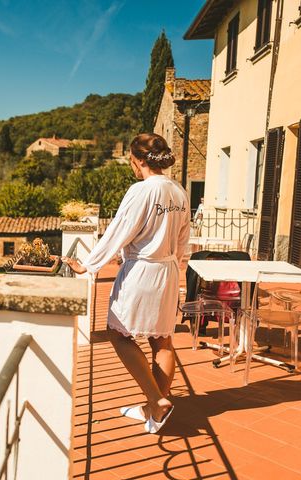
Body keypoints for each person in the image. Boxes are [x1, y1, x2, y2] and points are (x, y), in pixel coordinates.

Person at [63, 133, 190, 434]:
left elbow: (119, 231)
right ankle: (155, 407)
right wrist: (175, 266)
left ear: (139, 160)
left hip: (143, 272)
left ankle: (156, 401)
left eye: (132, 161)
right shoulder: (178, 191)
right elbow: (184, 238)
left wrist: (88, 265)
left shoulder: (141, 190)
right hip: (169, 271)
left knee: (118, 334)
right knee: (162, 340)